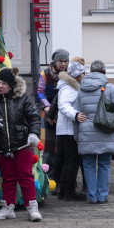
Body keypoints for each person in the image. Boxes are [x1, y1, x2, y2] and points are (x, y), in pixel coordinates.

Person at [0, 67, 43, 221]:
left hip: (22, 143)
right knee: (8, 177)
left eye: (3, 83)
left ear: (11, 86)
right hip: (2, 144)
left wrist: (33, 134)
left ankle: (32, 207)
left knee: (25, 175)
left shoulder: (22, 97)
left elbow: (34, 117)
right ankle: (8, 208)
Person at [75, 60, 114, 203]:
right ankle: (102, 196)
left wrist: (76, 134)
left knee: (88, 164)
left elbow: (76, 113)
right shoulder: (110, 88)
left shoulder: (81, 88)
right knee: (104, 164)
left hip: (86, 131)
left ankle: (92, 196)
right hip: (106, 130)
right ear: (104, 72)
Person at [37, 49, 69, 187]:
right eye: (61, 61)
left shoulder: (70, 74)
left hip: (65, 114)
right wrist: (47, 107)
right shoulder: (45, 74)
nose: (63, 64)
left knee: (63, 147)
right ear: (55, 61)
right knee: (49, 148)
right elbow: (39, 92)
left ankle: (62, 179)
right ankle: (48, 178)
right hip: (48, 114)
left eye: (66, 61)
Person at [54, 59, 84, 200]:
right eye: (82, 73)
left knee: (67, 161)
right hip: (69, 130)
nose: (84, 76)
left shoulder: (67, 86)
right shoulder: (69, 88)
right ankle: (69, 192)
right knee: (73, 161)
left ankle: (64, 192)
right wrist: (76, 115)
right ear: (77, 75)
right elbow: (63, 105)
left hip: (65, 129)